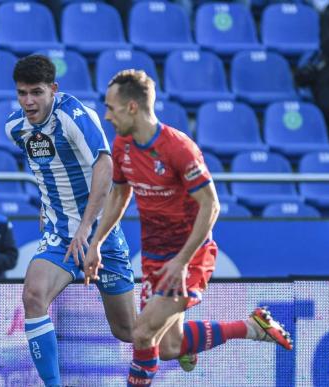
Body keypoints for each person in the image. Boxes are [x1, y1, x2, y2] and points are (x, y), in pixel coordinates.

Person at [83, 69, 293, 386]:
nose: (106, 115)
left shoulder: (178, 148)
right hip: (155, 257)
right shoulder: (123, 145)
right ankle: (252, 327)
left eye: (111, 108)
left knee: (141, 333)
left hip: (188, 257)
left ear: (132, 107)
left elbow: (211, 205)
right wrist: (97, 242)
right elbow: (120, 194)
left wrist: (181, 260)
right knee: (168, 347)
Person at [5, 55, 136, 386]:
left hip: (99, 234)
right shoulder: (14, 128)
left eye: (36, 92)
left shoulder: (74, 115)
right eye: (22, 93)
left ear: (53, 89)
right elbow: (48, 169)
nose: (28, 101)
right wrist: (47, 209)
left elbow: (104, 167)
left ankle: (187, 340)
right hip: (60, 234)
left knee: (128, 331)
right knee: (33, 296)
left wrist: (86, 231)